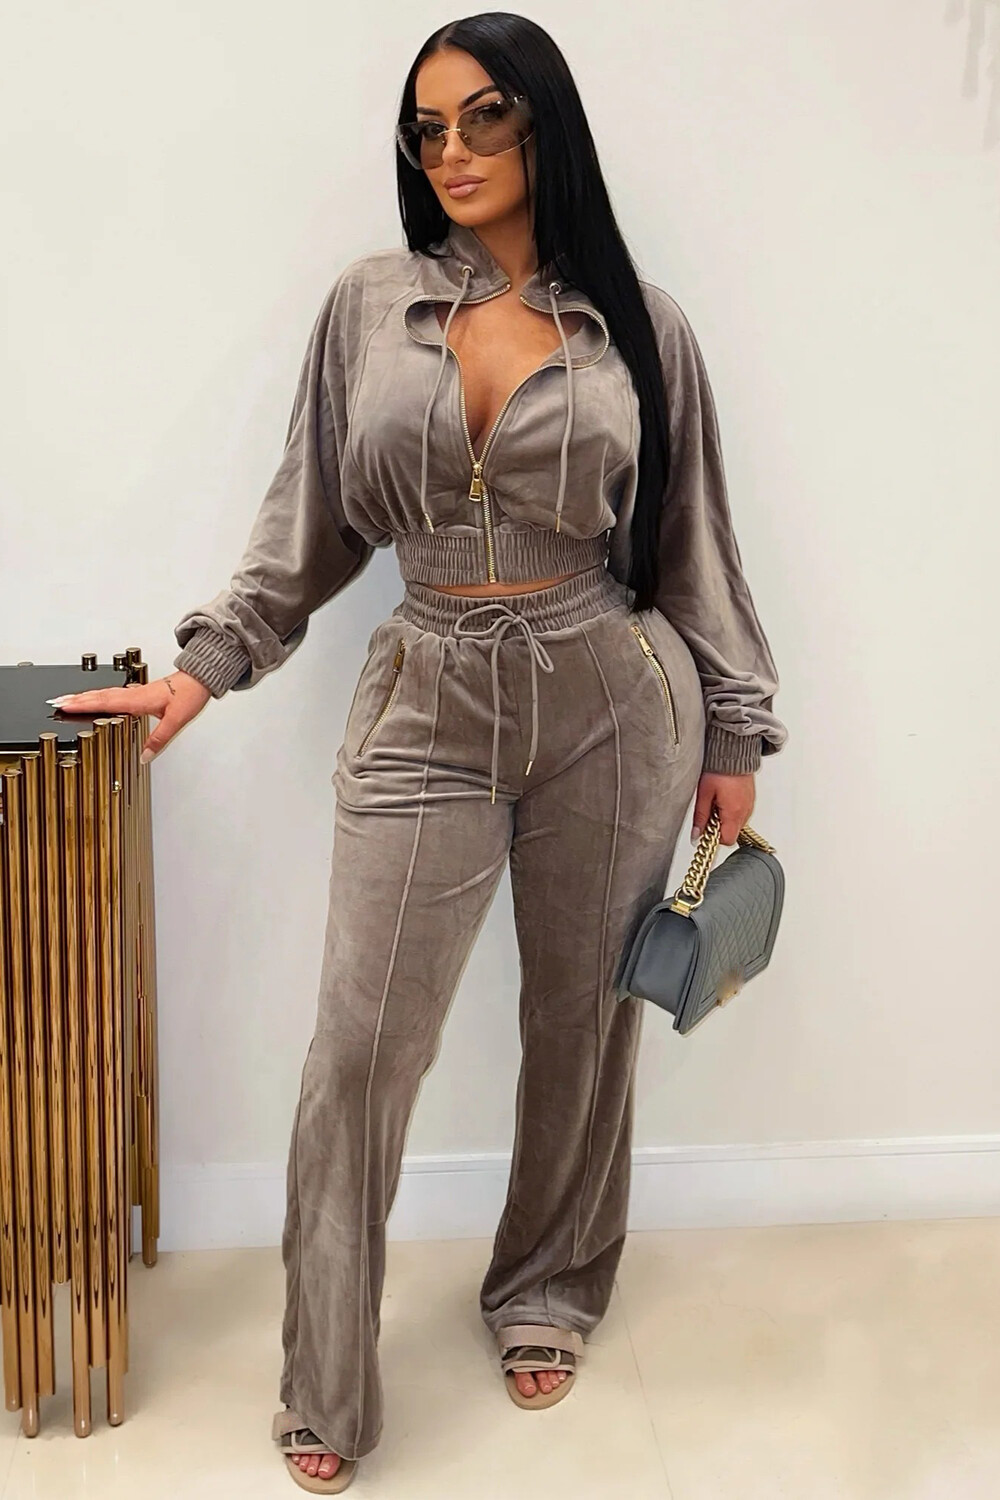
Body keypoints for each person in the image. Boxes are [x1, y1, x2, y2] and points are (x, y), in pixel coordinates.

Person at [49, 12, 788, 1493]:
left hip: (609, 699)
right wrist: (200, 671)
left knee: (582, 1025)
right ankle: (326, 1379)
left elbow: (690, 536)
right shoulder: (369, 307)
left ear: (544, 125)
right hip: (423, 698)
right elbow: (306, 523)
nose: (452, 150)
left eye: (484, 116)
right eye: (427, 127)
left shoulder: (640, 324)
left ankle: (549, 1285)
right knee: (360, 1048)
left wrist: (736, 725)